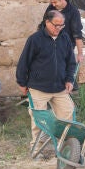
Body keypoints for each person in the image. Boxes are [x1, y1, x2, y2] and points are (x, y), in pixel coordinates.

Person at [16, 10, 77, 148]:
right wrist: (21, 82)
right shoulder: (35, 39)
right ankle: (37, 147)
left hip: (60, 87)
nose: (59, 29)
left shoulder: (65, 38)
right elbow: (23, 62)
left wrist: (69, 80)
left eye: (62, 26)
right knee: (39, 120)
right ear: (47, 22)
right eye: (56, 25)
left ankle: (64, 146)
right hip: (39, 87)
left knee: (68, 114)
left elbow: (71, 63)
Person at [44, 0, 85, 64]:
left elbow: (77, 34)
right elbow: (43, 26)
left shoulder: (73, 12)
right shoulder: (50, 8)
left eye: (55, 2)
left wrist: (80, 54)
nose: (53, 4)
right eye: (52, 2)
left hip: (66, 48)